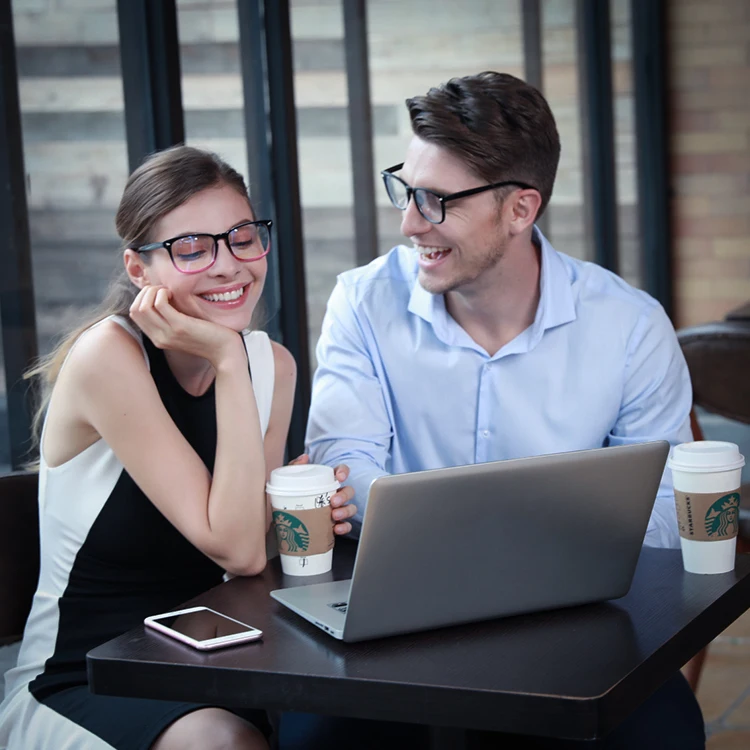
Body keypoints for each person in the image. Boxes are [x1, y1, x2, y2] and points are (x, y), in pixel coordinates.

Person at [303, 72, 704, 748]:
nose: (409, 223)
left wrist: (479, 538)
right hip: (399, 621)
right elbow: (343, 466)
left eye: (436, 201)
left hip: (577, 623)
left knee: (663, 734)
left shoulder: (630, 326)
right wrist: (529, 532)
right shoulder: (362, 303)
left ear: (520, 209)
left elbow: (664, 511)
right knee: (315, 737)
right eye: (406, 189)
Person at [0, 145, 356, 750]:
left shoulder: (273, 366)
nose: (228, 265)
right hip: (83, 678)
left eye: (242, 237)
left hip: (218, 663)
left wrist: (297, 516)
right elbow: (236, 549)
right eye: (191, 248)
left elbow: (251, 548)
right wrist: (228, 358)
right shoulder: (109, 357)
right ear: (139, 270)